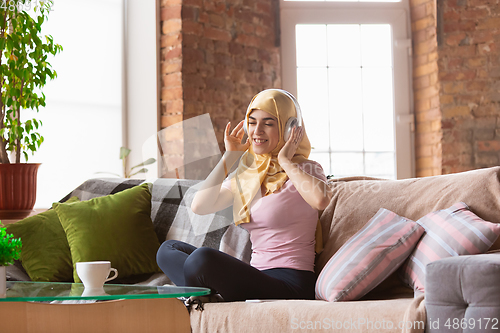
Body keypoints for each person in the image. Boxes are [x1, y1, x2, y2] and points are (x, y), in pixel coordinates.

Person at [156, 89, 331, 302]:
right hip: (256, 276)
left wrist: (286, 160)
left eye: (268, 123)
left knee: (202, 259)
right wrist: (230, 157)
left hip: (291, 282)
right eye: (252, 122)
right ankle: (210, 295)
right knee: (168, 250)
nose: (257, 131)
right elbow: (199, 206)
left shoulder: (307, 169)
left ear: (289, 130)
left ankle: (205, 295)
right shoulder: (249, 176)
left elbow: (320, 200)